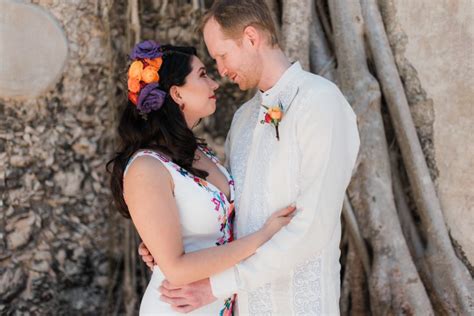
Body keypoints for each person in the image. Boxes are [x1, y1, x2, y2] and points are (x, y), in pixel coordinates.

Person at [139, 0, 360, 315]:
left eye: (223, 55)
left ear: (252, 38)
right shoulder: (243, 119)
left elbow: (314, 226)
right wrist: (165, 242)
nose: (222, 71)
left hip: (299, 303)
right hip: (243, 306)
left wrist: (216, 285)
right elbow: (228, 213)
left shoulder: (321, 103)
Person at [107, 41, 297, 315]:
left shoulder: (198, 151)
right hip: (179, 307)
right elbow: (177, 268)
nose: (215, 84)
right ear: (177, 94)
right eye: (203, 75)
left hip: (220, 301)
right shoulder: (146, 168)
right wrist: (263, 236)